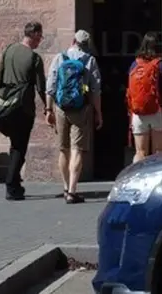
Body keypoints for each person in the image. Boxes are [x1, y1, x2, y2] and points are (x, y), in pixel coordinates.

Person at [46, 30, 103, 204]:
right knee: (77, 149)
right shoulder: (90, 61)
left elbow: (51, 85)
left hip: (61, 108)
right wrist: (98, 112)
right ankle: (72, 190)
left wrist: (48, 109)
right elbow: (95, 90)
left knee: (63, 149)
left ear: (73, 41)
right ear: (87, 44)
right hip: (82, 109)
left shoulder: (59, 58)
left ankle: (65, 187)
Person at [0, 21, 48, 201]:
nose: (40, 40)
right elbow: (42, 87)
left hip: (6, 105)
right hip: (23, 108)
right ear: (33, 35)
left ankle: (15, 181)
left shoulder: (9, 50)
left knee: (14, 143)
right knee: (19, 146)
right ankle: (11, 185)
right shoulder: (34, 59)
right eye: (40, 36)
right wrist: (48, 108)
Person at [126, 32, 162, 162]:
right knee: (159, 151)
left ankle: (138, 178)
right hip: (157, 111)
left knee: (140, 152)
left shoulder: (134, 65)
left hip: (137, 113)